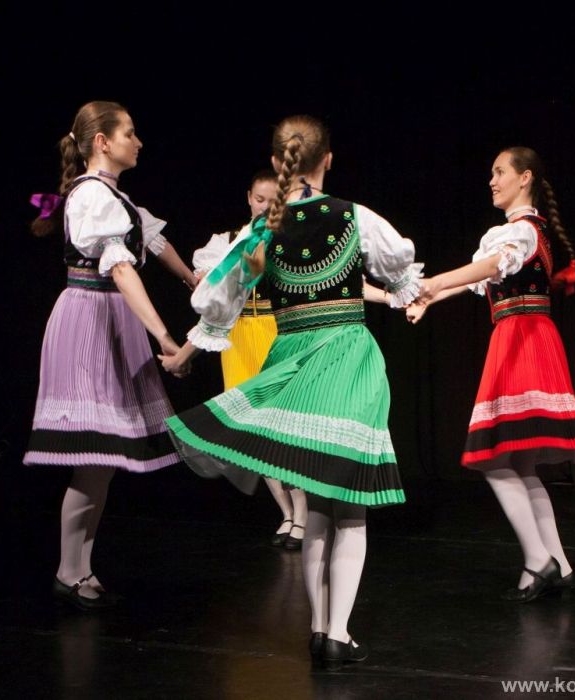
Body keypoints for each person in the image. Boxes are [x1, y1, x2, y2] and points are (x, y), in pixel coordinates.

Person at [162, 115, 422, 669]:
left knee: (317, 502)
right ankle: (338, 633)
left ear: (278, 163)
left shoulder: (260, 230)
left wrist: (184, 354)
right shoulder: (354, 216)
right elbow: (401, 275)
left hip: (293, 361)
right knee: (349, 503)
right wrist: (416, 292)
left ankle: (318, 628)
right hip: (348, 359)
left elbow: (214, 304)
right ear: (327, 159)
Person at [24, 100, 197, 610]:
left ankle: (78, 568)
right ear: (102, 141)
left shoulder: (114, 197)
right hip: (90, 320)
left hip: (111, 318)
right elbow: (121, 269)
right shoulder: (91, 196)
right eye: (130, 133)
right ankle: (69, 569)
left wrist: (192, 278)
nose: (138, 142)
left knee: (104, 461)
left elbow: (153, 240)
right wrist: (164, 336)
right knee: (94, 454)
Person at [415, 146, 575, 602]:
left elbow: (493, 266)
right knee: (519, 463)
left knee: (491, 457)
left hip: (523, 339)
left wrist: (437, 281)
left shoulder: (521, 231)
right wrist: (429, 297)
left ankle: (538, 560)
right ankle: (559, 563)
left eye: (500, 172)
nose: (492, 180)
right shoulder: (519, 232)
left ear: (525, 177)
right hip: (523, 337)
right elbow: (481, 279)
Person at [191, 171, 310, 550]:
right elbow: (208, 283)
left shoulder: (286, 241)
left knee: (283, 430)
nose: (264, 206)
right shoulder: (227, 241)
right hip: (239, 338)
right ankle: (286, 513)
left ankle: (303, 514)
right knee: (256, 433)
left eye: (272, 201)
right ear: (248, 198)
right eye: (259, 199)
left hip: (274, 332)